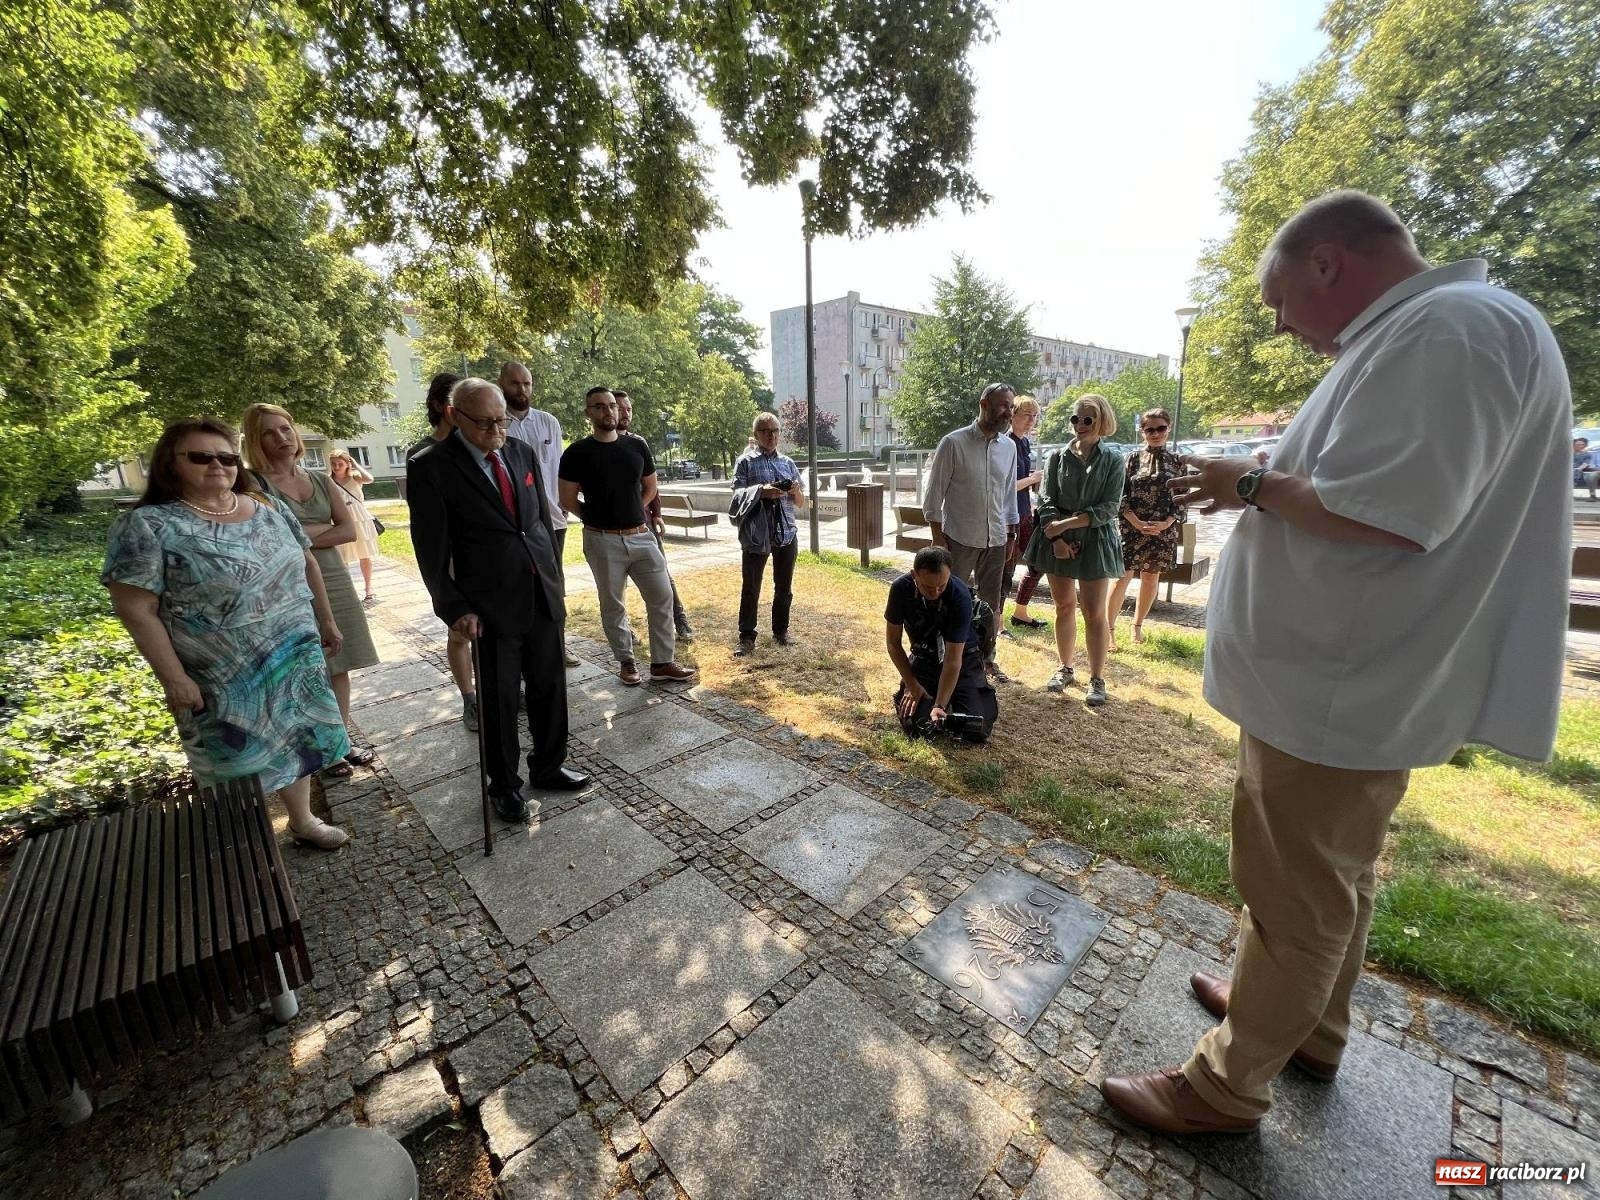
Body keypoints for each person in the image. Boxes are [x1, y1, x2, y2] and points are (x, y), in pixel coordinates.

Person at [1101, 191, 1572, 1136]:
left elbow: (1391, 509)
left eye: (1279, 299)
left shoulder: (1454, 330)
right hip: (1344, 677)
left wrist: (1248, 484)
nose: (1279, 322)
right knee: (1332, 873)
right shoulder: (1441, 328)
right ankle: (1308, 1025)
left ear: (1327, 262)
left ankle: (1224, 1089)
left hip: (1340, 679)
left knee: (1295, 886)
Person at [103, 418, 351, 849]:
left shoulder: (267, 507)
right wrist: (174, 678)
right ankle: (247, 847)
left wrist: (325, 620)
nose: (217, 465)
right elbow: (135, 607)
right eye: (201, 457)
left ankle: (302, 819)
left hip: (293, 654)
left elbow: (307, 562)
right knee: (233, 759)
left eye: (227, 457)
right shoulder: (148, 525)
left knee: (300, 741)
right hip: (218, 672)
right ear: (170, 463)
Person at [407, 378, 588, 822]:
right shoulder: (431, 466)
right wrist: (454, 608)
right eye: (485, 422)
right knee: (501, 698)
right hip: (487, 604)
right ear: (454, 415)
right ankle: (503, 784)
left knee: (549, 687)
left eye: (501, 419)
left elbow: (537, 522)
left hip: (540, 591)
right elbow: (431, 550)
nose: (496, 430)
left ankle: (548, 765)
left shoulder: (519, 452)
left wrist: (552, 576)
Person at [242, 403, 381, 777]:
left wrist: (299, 537)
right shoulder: (252, 483)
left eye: (285, 428)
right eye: (270, 432)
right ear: (256, 440)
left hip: (333, 576)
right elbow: (269, 540)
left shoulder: (319, 478)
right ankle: (320, 751)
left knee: (340, 663)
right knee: (306, 668)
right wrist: (316, 534)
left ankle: (340, 742)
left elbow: (349, 530)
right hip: (288, 585)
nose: (282, 437)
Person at [558, 387, 696, 686]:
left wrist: (633, 511)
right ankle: (626, 661)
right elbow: (567, 499)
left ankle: (662, 663)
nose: (608, 411)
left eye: (612, 406)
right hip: (602, 540)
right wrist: (596, 519)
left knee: (662, 596)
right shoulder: (577, 453)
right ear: (589, 413)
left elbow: (650, 487)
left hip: (641, 536)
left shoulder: (637, 447)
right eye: (599, 407)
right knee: (613, 604)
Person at [1018, 393, 1125, 707]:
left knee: (1094, 613)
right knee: (1063, 607)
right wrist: (1056, 539)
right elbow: (1047, 500)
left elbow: (1108, 508)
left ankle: (1097, 678)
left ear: (1101, 421)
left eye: (1087, 419)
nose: (1079, 424)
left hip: (1095, 542)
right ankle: (1065, 668)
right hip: (1057, 543)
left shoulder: (1113, 460)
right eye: (1075, 418)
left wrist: (1063, 527)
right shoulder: (1057, 456)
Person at [922, 382, 1019, 681]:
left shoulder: (1009, 447)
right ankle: (942, 657)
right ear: (984, 404)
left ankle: (986, 659)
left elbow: (1008, 496)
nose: (1008, 412)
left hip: (996, 541)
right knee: (951, 602)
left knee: (991, 605)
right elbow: (933, 497)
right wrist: (940, 543)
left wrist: (1011, 534)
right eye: (1003, 405)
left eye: (1011, 407)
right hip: (958, 540)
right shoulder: (953, 443)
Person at [406, 373, 480, 731]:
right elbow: (426, 524)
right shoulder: (423, 455)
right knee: (459, 631)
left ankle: (499, 691)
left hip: (482, 556)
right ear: (442, 406)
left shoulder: (476, 446)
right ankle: (470, 699)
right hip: (451, 557)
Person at [499, 360, 581, 667]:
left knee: (554, 584)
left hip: (552, 520)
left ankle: (558, 645)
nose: (521, 389)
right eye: (514, 383)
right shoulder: (495, 422)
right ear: (502, 384)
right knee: (517, 586)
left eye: (526, 383)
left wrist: (564, 503)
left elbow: (557, 466)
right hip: (513, 523)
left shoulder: (548, 422)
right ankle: (522, 652)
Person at [884, 546, 998, 743]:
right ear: (914, 575)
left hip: (963, 659)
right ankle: (933, 696)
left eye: (941, 586)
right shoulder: (900, 589)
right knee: (919, 727)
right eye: (928, 587)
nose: (935, 592)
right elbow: (893, 643)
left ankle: (961, 693)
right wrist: (911, 684)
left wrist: (940, 705)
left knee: (975, 729)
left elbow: (953, 660)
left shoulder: (959, 595)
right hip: (925, 657)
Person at [615, 389, 694, 642]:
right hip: (611, 526)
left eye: (628, 408)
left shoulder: (638, 444)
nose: (625, 412)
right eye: (620, 407)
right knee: (617, 582)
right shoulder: (595, 446)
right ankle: (624, 629)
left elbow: (651, 483)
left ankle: (680, 622)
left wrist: (656, 513)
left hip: (644, 521)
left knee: (662, 573)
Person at [730, 412, 807, 656]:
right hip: (757, 534)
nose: (771, 435)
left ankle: (781, 630)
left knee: (784, 586)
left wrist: (793, 491)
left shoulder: (788, 463)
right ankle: (746, 636)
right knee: (751, 586)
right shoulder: (745, 462)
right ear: (756, 435)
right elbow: (736, 496)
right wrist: (762, 492)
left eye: (775, 430)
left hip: (786, 533)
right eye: (765, 431)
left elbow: (801, 502)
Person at [1107, 408, 1185, 648]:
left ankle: (1137, 625)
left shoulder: (1178, 461)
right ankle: (1108, 629)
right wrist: (1137, 523)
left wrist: (1167, 523)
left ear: (1168, 428)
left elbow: (1183, 498)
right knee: (1122, 577)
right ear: (1142, 432)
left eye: (1160, 428)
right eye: (1149, 429)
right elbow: (1120, 495)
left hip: (1162, 530)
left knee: (1151, 578)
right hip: (1132, 528)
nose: (1155, 433)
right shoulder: (1130, 459)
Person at [1003, 395, 1047, 630]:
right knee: (1006, 570)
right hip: (1009, 517)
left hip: (1025, 513)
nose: (1031, 420)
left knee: (1038, 563)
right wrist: (1031, 478)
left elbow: (1021, 480)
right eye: (1026, 415)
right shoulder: (1005, 442)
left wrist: (1033, 481)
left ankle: (1020, 612)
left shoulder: (1024, 443)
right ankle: (997, 623)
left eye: (1035, 416)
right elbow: (1005, 486)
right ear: (1013, 416)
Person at [328, 449, 380, 605]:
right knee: (342, 556)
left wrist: (355, 463)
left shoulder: (355, 477)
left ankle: (368, 588)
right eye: (333, 464)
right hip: (339, 520)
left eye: (340, 464)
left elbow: (369, 479)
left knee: (364, 554)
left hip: (360, 519)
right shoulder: (327, 480)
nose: (336, 467)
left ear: (347, 464)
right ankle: (348, 590)